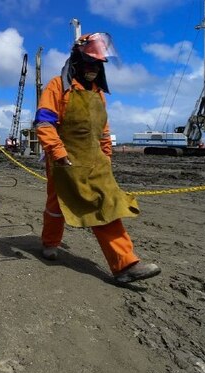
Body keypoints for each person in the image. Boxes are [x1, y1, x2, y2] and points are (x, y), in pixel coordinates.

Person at [34, 32, 160, 284]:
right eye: (89, 64)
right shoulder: (58, 86)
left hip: (94, 162)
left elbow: (102, 129)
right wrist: (58, 154)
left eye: (97, 65)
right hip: (64, 161)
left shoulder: (97, 93)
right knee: (56, 204)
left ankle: (125, 265)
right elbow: (44, 122)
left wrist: (106, 156)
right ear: (78, 62)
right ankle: (50, 242)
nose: (93, 70)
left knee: (105, 205)